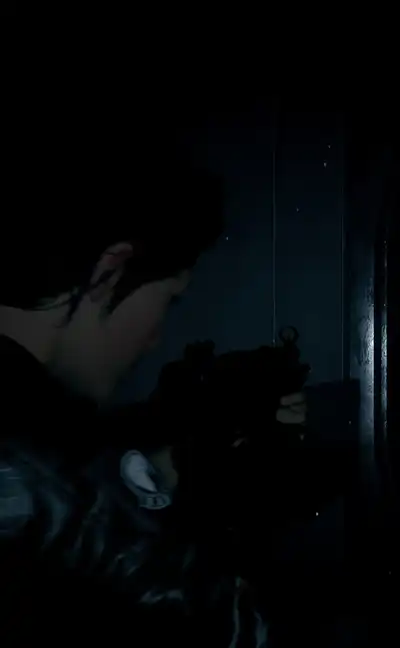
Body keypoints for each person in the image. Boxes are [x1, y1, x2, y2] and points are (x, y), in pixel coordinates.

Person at [0, 129, 268, 646]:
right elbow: (221, 625)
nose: (154, 338)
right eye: (168, 300)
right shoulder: (49, 471)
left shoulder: (48, 443)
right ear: (108, 272)